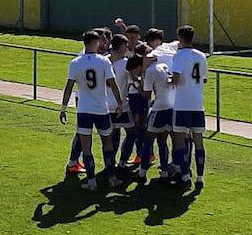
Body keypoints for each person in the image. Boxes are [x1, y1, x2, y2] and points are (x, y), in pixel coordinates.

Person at [60, 31, 124, 191]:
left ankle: (91, 181)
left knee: (86, 147)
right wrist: (120, 103)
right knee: (107, 144)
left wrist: (63, 108)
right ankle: (111, 178)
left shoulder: (75, 63)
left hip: (84, 109)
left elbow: (68, 88)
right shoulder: (103, 61)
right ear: (96, 42)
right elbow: (113, 84)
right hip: (101, 109)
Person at [171, 25, 207, 190]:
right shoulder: (201, 56)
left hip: (183, 104)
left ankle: (185, 176)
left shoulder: (179, 56)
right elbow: (204, 79)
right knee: (198, 142)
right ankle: (200, 177)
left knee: (179, 141)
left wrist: (168, 79)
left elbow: (176, 80)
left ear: (180, 38)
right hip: (198, 105)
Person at [134, 52, 175, 183]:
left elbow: (146, 95)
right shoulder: (163, 66)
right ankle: (164, 172)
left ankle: (142, 173)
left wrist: (137, 84)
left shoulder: (150, 71)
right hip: (171, 106)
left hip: (159, 108)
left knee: (148, 140)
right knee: (163, 141)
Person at [107, 34, 135, 171]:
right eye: (126, 45)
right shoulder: (124, 63)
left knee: (112, 135)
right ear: (122, 46)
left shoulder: (104, 60)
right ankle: (122, 162)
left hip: (106, 105)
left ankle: (110, 164)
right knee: (131, 132)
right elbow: (133, 79)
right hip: (121, 105)